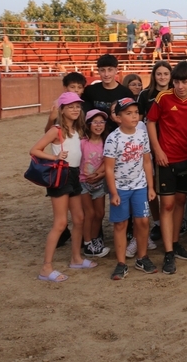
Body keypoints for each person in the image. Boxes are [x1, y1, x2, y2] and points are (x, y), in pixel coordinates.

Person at [146, 60, 187, 275]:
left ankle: (174, 243)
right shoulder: (163, 98)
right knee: (166, 204)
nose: (180, 86)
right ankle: (167, 253)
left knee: (181, 202)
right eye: (176, 82)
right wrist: (157, 151)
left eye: (184, 82)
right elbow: (150, 122)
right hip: (166, 159)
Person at [30, 92, 94, 282]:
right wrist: (55, 157)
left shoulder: (76, 129)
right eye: (71, 106)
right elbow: (34, 150)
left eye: (77, 106)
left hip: (73, 175)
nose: (75, 109)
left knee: (79, 218)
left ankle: (76, 258)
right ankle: (46, 268)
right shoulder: (56, 130)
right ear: (62, 110)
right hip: (61, 175)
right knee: (60, 223)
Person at [104, 97, 156, 280]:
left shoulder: (142, 134)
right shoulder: (112, 139)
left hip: (140, 185)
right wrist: (114, 192)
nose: (134, 117)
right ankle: (121, 263)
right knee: (120, 224)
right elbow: (109, 168)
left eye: (136, 112)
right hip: (121, 188)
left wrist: (150, 186)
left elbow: (147, 161)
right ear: (118, 118)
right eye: (128, 113)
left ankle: (142, 257)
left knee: (142, 222)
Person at [79, 110, 111, 259]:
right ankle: (87, 244)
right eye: (95, 122)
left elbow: (107, 161)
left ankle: (94, 239)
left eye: (102, 122)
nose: (99, 126)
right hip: (83, 183)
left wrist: (99, 174)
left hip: (98, 183)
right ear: (88, 124)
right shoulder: (82, 143)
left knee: (100, 213)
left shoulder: (107, 142)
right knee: (89, 213)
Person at [81, 54, 132, 133]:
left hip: (117, 136)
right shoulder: (90, 91)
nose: (106, 74)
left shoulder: (126, 93)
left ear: (116, 70)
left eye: (110, 70)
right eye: (102, 70)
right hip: (95, 137)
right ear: (98, 71)